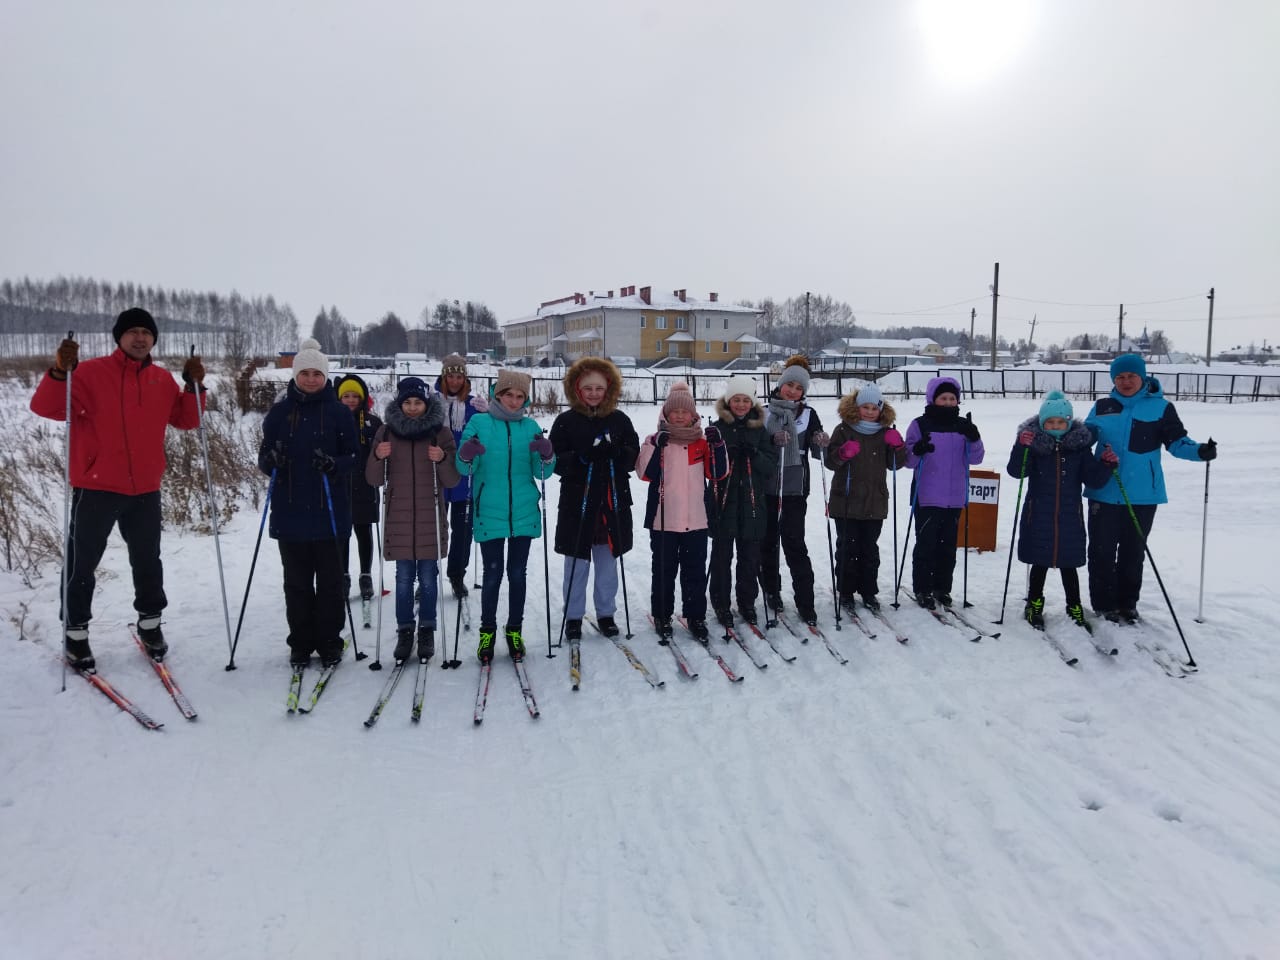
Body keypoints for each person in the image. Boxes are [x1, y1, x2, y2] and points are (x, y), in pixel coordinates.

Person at [30, 308, 206, 670]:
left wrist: (194, 387)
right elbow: (45, 407)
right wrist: (60, 373)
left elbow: (189, 420)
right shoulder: (89, 373)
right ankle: (75, 632)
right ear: (119, 337)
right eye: (133, 332)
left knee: (147, 560)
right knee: (82, 562)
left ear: (153, 339)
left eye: (146, 332)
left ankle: (150, 624)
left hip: (145, 489)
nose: (140, 338)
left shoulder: (161, 380)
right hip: (96, 487)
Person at [1084, 354, 1217, 623]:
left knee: (1132, 553)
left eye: (1131, 376)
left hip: (1143, 495)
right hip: (1104, 491)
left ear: (1143, 377)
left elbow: (1177, 443)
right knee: (1101, 552)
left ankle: (1127, 604)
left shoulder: (1161, 407)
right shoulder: (1102, 407)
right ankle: (1104, 605)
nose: (1126, 381)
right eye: (1120, 377)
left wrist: (1199, 451)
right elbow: (1083, 438)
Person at [258, 338, 360, 667]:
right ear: (296, 375)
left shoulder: (339, 413)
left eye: (317, 373)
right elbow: (264, 458)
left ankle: (330, 640)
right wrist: (272, 460)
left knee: (331, 584)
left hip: (330, 512)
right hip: (290, 513)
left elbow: (354, 457)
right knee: (297, 584)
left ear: (326, 376)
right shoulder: (280, 413)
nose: (311, 379)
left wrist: (334, 464)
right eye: (305, 373)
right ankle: (300, 642)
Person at [455, 369, 555, 663]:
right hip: (490, 511)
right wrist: (466, 454)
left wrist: (547, 455)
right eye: (508, 395)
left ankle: (514, 630)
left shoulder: (530, 426)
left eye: (520, 396)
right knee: (493, 574)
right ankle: (487, 632)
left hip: (523, 511)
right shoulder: (479, 423)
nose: (514, 401)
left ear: (526, 399)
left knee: (517, 574)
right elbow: (465, 469)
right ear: (497, 395)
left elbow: (542, 472)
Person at [367, 377, 459, 662]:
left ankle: (427, 628)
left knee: (429, 578)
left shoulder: (440, 433)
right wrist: (378, 456)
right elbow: (373, 478)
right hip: (399, 520)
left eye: (418, 402)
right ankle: (405, 630)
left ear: (427, 403)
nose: (412, 407)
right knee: (404, 579)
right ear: (399, 403)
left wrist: (442, 458)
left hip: (431, 517)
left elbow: (452, 480)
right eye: (407, 402)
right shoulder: (386, 432)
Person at [1008, 390, 1117, 629]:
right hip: (1038, 515)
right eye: (1050, 422)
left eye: (1060, 422)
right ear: (1042, 423)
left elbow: (1093, 480)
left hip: (1069, 517)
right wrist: (1021, 447)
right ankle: (1034, 603)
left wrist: (1106, 465)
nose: (1055, 426)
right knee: (1039, 563)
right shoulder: (1035, 446)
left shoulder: (1079, 449)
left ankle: (1074, 604)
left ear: (1068, 423)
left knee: (1069, 564)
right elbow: (1017, 471)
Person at [549, 356, 639, 640]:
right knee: (576, 563)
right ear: (576, 389)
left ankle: (606, 613)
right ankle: (573, 616)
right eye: (587, 388)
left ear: (608, 389)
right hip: (578, 501)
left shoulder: (619, 420)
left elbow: (633, 455)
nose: (593, 393)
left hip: (611, 502)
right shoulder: (566, 421)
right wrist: (580, 458)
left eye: (599, 388)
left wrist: (618, 454)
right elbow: (554, 460)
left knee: (607, 563)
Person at [635, 382, 728, 641]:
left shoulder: (701, 441)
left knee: (694, 571)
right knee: (663, 571)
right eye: (673, 411)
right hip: (663, 520)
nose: (678, 416)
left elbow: (718, 473)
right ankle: (662, 615)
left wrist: (718, 445)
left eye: (684, 412)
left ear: (693, 414)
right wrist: (656, 445)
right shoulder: (655, 440)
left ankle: (695, 616)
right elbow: (644, 473)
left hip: (696, 520)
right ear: (665, 413)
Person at [824, 383, 908, 615]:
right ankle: (846, 591)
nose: (870, 412)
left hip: (874, 501)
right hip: (846, 501)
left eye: (875, 408)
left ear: (881, 410)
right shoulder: (844, 429)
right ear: (856, 407)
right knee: (847, 548)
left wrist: (898, 446)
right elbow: (830, 462)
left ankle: (868, 591)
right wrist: (842, 453)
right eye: (865, 407)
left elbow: (895, 464)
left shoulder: (884, 432)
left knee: (869, 549)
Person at [903, 376, 984, 610]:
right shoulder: (920, 424)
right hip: (927, 496)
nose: (948, 402)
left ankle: (942, 588)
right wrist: (918, 449)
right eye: (943, 398)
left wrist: (974, 437)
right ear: (933, 399)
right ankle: (923, 588)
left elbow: (976, 458)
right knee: (926, 545)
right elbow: (908, 460)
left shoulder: (963, 426)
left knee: (948, 548)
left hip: (955, 497)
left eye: (952, 398)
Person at [759, 355, 827, 624]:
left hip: (795, 489)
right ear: (781, 384)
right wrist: (771, 441)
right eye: (790, 385)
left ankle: (805, 601)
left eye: (799, 388)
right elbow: (756, 447)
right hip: (767, 487)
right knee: (768, 543)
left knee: (795, 544)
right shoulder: (763, 412)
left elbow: (818, 450)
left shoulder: (809, 415)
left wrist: (821, 441)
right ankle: (771, 590)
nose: (793, 391)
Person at [708, 374, 778, 627]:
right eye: (736, 399)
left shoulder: (760, 429)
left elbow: (770, 466)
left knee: (749, 558)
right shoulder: (718, 428)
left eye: (745, 400)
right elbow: (708, 467)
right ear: (728, 401)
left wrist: (754, 454)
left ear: (752, 403)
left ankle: (747, 602)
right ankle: (721, 603)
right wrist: (721, 451)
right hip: (724, 502)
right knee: (721, 557)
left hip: (752, 503)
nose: (740, 405)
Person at [434, 353, 488, 597]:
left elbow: (485, 436)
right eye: (451, 376)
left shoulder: (474, 406)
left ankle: (457, 575)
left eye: (459, 377)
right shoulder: (432, 402)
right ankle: (427, 575)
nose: (455, 381)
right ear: (444, 377)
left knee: (463, 531)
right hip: (437, 474)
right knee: (433, 530)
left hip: (465, 477)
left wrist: (489, 414)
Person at [334, 372, 383, 623]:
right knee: (342, 534)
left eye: (355, 396)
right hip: (339, 486)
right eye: (346, 396)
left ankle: (366, 575)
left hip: (365, 485)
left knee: (364, 532)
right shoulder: (332, 420)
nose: (351, 400)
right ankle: (342, 575)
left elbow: (381, 451)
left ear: (362, 398)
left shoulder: (372, 422)